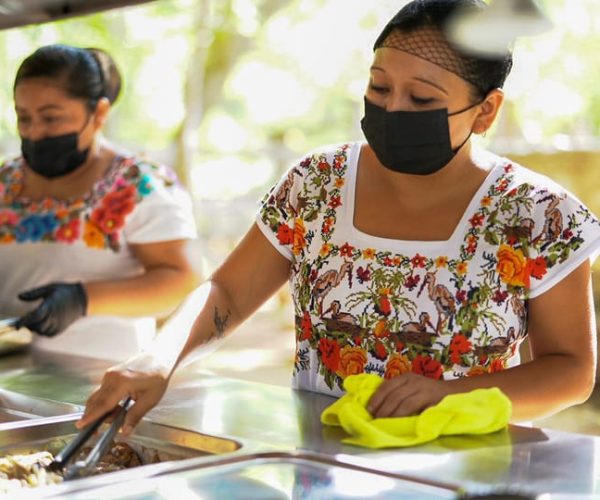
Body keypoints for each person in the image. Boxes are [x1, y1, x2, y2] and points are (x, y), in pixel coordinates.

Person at [79, 0, 600, 434]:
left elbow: (571, 369)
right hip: (321, 462)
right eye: (378, 88)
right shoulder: (317, 183)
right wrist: (157, 359)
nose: (392, 109)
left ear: (485, 111)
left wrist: (447, 396)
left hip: (468, 473)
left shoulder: (536, 214)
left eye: (422, 98)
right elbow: (228, 294)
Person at [0, 44, 198, 361]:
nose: (35, 133)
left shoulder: (140, 185)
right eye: (24, 118)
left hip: (102, 380)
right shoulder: (5, 182)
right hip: (10, 376)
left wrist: (83, 299)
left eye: (51, 118)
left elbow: (182, 281)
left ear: (99, 113)